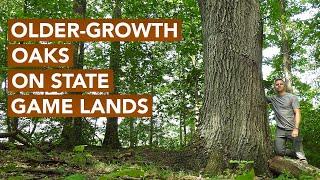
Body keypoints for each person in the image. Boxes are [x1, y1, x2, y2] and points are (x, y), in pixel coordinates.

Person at [266, 78, 307, 163]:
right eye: (277, 84)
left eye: (281, 84)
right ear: (275, 87)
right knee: (279, 151)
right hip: (280, 129)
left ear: (284, 86)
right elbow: (259, 96)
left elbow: (298, 113)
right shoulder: (273, 99)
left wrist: (296, 128)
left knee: (300, 154)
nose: (279, 85)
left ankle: (306, 168)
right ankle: (294, 155)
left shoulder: (292, 97)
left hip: (292, 128)